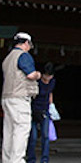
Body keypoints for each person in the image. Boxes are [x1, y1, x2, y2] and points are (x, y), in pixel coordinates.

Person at [2, 32, 41, 163]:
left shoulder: (8, 58)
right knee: (21, 129)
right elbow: (30, 75)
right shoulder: (23, 55)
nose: (30, 47)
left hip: (7, 97)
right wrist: (38, 75)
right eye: (30, 45)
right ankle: (17, 160)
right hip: (19, 97)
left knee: (9, 130)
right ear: (26, 43)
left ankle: (7, 160)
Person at [27, 62, 56, 163]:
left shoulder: (52, 82)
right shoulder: (37, 81)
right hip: (34, 110)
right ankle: (31, 159)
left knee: (46, 136)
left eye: (50, 76)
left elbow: (50, 93)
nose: (47, 78)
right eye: (46, 75)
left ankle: (44, 160)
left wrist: (52, 106)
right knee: (33, 138)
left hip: (45, 111)